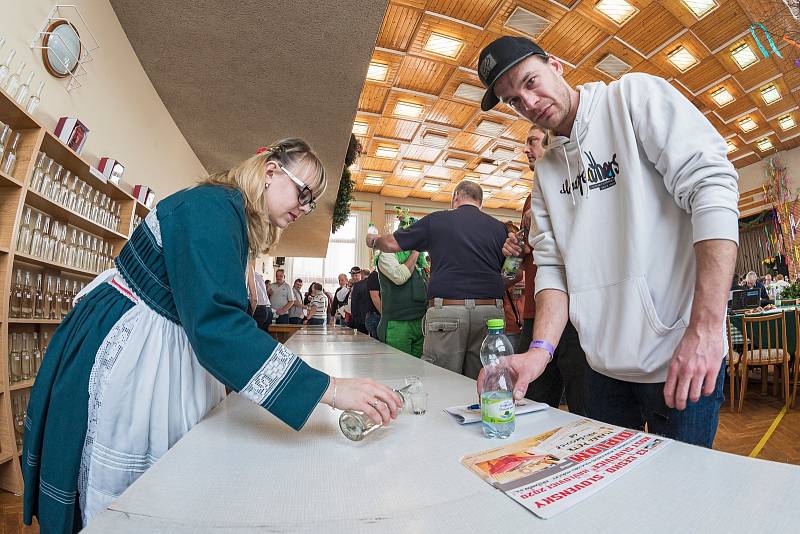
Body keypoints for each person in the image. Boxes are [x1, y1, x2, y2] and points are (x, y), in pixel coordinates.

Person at [23, 139, 403, 532]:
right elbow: (219, 325)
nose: (306, 208)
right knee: (131, 495)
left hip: (159, 341)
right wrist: (333, 389)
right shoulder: (212, 207)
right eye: (303, 193)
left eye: (311, 202)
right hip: (133, 345)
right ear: (270, 171)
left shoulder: (227, 213)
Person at [478, 36, 739, 447]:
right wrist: (539, 351)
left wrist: (706, 329)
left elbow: (712, 187)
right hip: (601, 370)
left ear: (557, 66)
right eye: (513, 100)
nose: (528, 102)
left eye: (531, 81)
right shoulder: (545, 171)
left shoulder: (632, 98)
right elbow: (551, 266)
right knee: (614, 499)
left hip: (680, 357)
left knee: (682, 498)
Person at [367, 180, 507, 379]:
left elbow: (391, 244)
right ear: (480, 202)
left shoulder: (437, 221)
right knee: (484, 381)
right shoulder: (500, 229)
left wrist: (372, 240)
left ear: (455, 197)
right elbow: (512, 272)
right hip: (491, 314)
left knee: (441, 380)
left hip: (449, 310)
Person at [518, 124, 588, 414]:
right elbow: (533, 259)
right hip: (538, 312)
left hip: (573, 314)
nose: (526, 149)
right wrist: (519, 250)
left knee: (583, 400)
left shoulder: (577, 187)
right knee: (534, 399)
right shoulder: (531, 196)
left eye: (533, 141)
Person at [375, 208, 429, 357]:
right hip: (397, 324)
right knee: (398, 371)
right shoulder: (386, 254)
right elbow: (400, 277)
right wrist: (415, 252)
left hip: (420, 322)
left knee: (419, 370)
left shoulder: (421, 261)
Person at [248, 262, 272, 332]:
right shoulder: (259, 275)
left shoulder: (248, 274)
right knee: (262, 334)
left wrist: (250, 314)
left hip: (257, 308)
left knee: (251, 334)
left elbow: (254, 298)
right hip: (267, 308)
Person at [365, 267, 381, 339]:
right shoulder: (374, 276)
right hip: (375, 316)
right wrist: (384, 315)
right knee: (378, 346)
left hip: (377, 315)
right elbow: (375, 297)